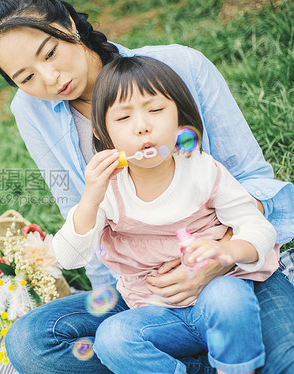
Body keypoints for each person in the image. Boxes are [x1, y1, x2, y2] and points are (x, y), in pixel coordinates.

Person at [0, 0, 294, 373]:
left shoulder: (178, 66)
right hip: (145, 289)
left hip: (230, 271)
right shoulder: (31, 110)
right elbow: (77, 214)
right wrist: (122, 293)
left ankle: (194, 353)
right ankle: (206, 357)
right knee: (30, 344)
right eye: (25, 78)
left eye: (50, 52)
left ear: (70, 26)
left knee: (285, 359)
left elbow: (254, 180)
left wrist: (217, 260)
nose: (48, 79)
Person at [53, 55, 279, 374]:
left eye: (156, 110)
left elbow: (258, 227)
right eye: (123, 118)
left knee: (228, 295)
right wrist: (90, 197)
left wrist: (228, 250)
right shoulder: (107, 193)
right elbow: (68, 257)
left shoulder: (203, 171)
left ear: (179, 120)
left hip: (220, 302)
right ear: (104, 135)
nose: (143, 125)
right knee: (112, 338)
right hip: (160, 318)